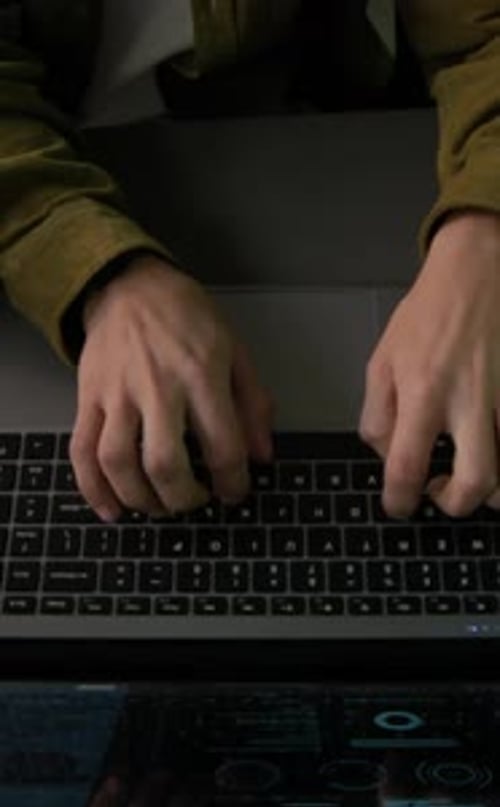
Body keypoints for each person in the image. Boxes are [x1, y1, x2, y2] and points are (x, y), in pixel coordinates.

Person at [1, 0, 500, 522]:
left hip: (311, 154)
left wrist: (483, 233)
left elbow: (483, 35)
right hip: (48, 169)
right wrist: (99, 274)